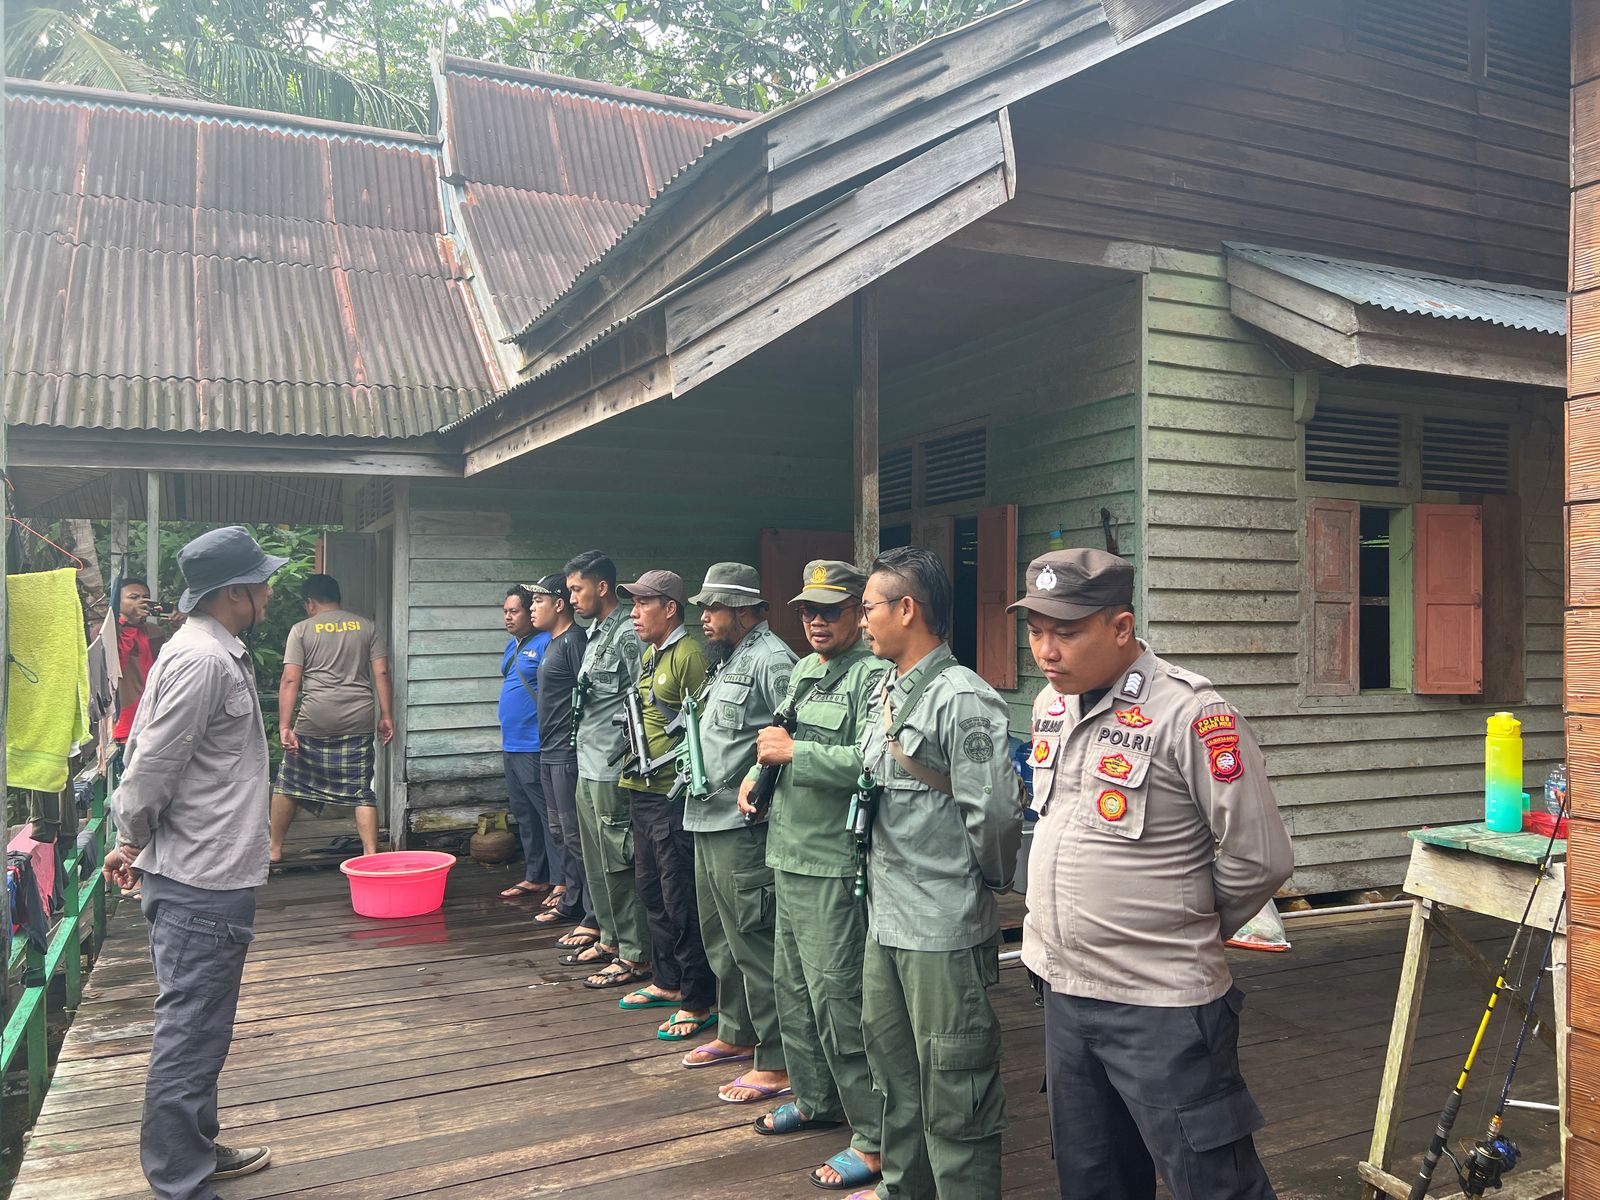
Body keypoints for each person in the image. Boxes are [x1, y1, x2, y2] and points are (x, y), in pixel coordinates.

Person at [1012, 548, 1292, 1200]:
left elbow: (1261, 857)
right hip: (1065, 993)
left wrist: (1187, 923)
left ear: (1120, 627)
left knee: (1213, 1183)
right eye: (1036, 631)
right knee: (1092, 1178)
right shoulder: (1050, 707)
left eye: (1067, 631)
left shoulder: (1191, 713)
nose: (1047, 650)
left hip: (1161, 1005)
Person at [104, 526, 286, 1198]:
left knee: (202, 1028)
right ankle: (180, 1179)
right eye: (262, 580)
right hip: (198, 881)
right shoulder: (204, 660)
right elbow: (150, 766)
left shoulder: (207, 650)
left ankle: (196, 1148)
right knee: (191, 1034)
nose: (270, 590)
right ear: (235, 592)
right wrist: (129, 840)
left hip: (205, 872)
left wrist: (134, 843)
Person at [848, 545, 1023, 1200]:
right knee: (895, 1082)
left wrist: (976, 887)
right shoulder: (886, 689)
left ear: (907, 609)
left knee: (957, 1091)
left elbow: (998, 815)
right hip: (887, 922)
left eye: (868, 608)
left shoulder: (963, 699)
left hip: (943, 932)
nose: (862, 620)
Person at [739, 559, 886, 1191]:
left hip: (833, 863)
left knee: (839, 1000)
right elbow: (778, 740)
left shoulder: (875, 677)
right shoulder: (802, 671)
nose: (817, 620)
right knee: (792, 991)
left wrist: (797, 752)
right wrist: (756, 775)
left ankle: (875, 1136)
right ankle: (815, 1096)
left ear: (859, 610)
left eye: (830, 609)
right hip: (786, 851)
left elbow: (876, 762)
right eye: (807, 610)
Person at [682, 563, 796, 1104]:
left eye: (715, 608)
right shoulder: (728, 660)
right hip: (707, 816)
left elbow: (790, 733)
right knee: (719, 937)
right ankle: (737, 1032)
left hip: (742, 825)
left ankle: (777, 1060)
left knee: (754, 942)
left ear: (747, 611)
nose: (704, 617)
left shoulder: (773, 660)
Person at [607, 570, 717, 1029]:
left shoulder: (689, 654)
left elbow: (704, 725)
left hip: (671, 794)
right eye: (632, 605)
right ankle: (667, 978)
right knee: (650, 889)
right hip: (641, 788)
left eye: (642, 604)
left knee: (680, 897)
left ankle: (698, 998)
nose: (633, 614)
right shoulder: (653, 653)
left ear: (670, 608)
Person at [564, 550, 652, 986]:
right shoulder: (596, 633)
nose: (573, 599)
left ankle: (636, 952)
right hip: (588, 761)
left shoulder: (627, 635)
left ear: (601, 587)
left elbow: (644, 701)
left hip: (614, 767)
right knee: (596, 860)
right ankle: (612, 936)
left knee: (619, 862)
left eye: (578, 590)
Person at [268, 574, 393, 861]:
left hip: (315, 719)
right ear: (338, 598)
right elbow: (382, 673)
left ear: (310, 603)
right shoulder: (367, 627)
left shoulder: (301, 630)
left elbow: (290, 680)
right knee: (360, 788)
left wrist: (285, 726)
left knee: (289, 783)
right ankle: (370, 853)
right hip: (358, 717)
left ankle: (274, 850)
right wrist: (386, 715)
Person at [528, 573, 599, 945]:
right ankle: (571, 900)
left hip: (568, 754)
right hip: (548, 750)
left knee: (575, 835)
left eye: (539, 601)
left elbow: (589, 697)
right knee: (559, 832)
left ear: (559, 604)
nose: (531, 607)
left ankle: (592, 913)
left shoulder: (575, 642)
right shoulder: (551, 643)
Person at [495, 585, 557, 901]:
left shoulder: (548, 642)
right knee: (523, 813)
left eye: (514, 611)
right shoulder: (513, 645)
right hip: (512, 744)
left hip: (534, 744)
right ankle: (536, 875)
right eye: (505, 611)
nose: (508, 616)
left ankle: (560, 881)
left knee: (547, 815)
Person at [112, 578, 178, 750]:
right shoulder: (108, 630)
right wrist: (130, 624)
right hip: (124, 723)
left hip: (155, 718)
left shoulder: (155, 631)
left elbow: (173, 666)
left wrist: (178, 628)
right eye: (133, 597)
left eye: (145, 597)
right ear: (118, 602)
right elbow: (115, 666)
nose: (141, 601)